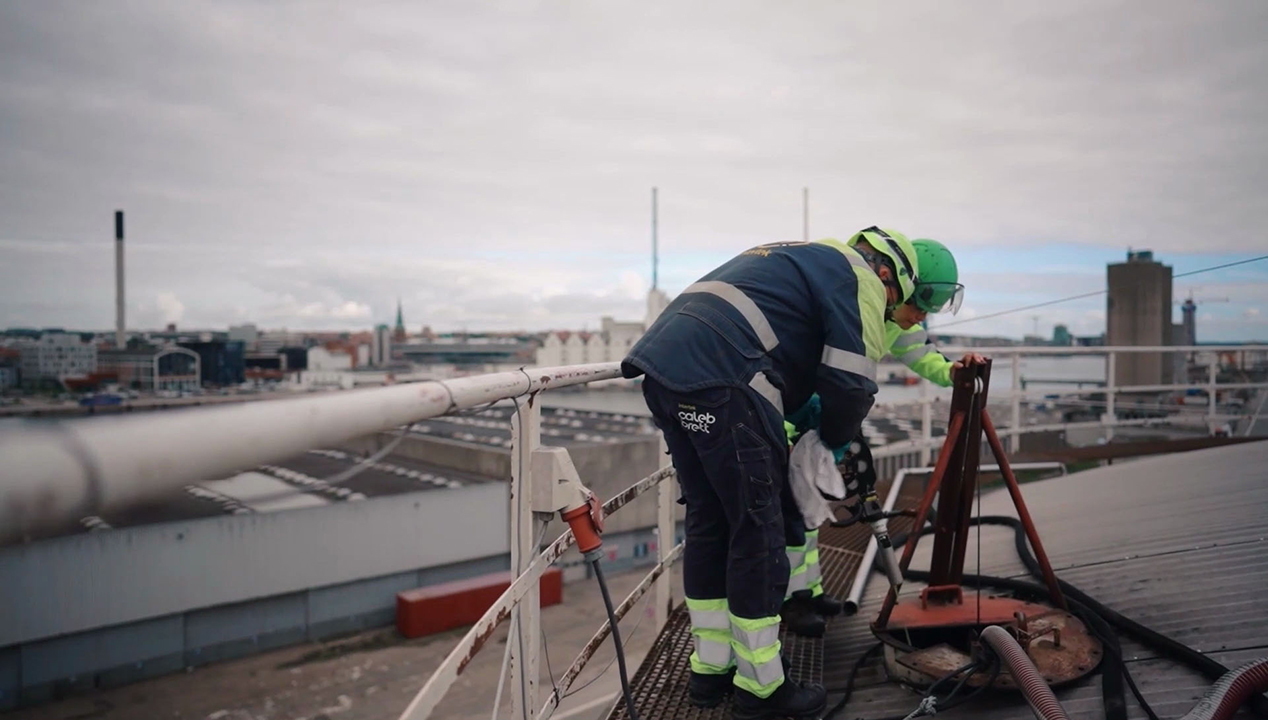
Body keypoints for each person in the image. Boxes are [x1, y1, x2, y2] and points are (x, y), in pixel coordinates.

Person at [621, 227, 920, 720]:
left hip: (664, 372)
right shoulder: (861, 277)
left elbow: (782, 354)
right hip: (724, 380)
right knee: (758, 532)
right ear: (886, 273)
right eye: (895, 304)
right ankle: (762, 689)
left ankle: (710, 669)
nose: (890, 313)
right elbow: (851, 382)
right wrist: (834, 438)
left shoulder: (801, 257)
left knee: (710, 522)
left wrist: (804, 409)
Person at [779, 238, 986, 638]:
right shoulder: (854, 308)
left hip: (820, 422)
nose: (920, 316)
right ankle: (789, 601)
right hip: (794, 419)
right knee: (789, 520)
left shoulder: (893, 321)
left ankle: (809, 591)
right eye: (919, 305)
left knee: (808, 514)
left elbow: (922, 354)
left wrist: (954, 372)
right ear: (900, 286)